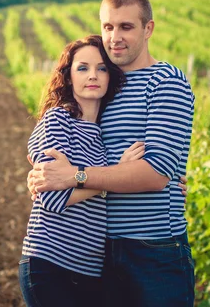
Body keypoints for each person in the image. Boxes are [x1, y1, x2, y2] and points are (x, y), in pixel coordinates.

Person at [28, 0, 195, 306]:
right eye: (108, 26)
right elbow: (61, 145)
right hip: (99, 249)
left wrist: (74, 177)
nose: (115, 36)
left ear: (148, 29)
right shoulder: (104, 84)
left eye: (126, 27)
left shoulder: (166, 82)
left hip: (152, 248)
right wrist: (40, 173)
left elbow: (156, 173)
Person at [19, 35, 147, 307]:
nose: (93, 75)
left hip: (90, 271)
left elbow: (139, 175)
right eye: (83, 68)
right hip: (50, 264)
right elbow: (54, 199)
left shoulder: (106, 134)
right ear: (68, 77)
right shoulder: (58, 120)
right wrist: (112, 178)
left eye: (102, 68)